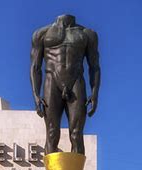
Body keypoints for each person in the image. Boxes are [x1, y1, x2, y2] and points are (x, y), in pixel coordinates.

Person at [30, 14, 100, 155]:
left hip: (76, 82)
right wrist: (36, 94)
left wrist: (94, 93)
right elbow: (35, 67)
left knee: (76, 134)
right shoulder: (42, 33)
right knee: (51, 133)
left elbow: (94, 67)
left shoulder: (87, 34)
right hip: (52, 81)